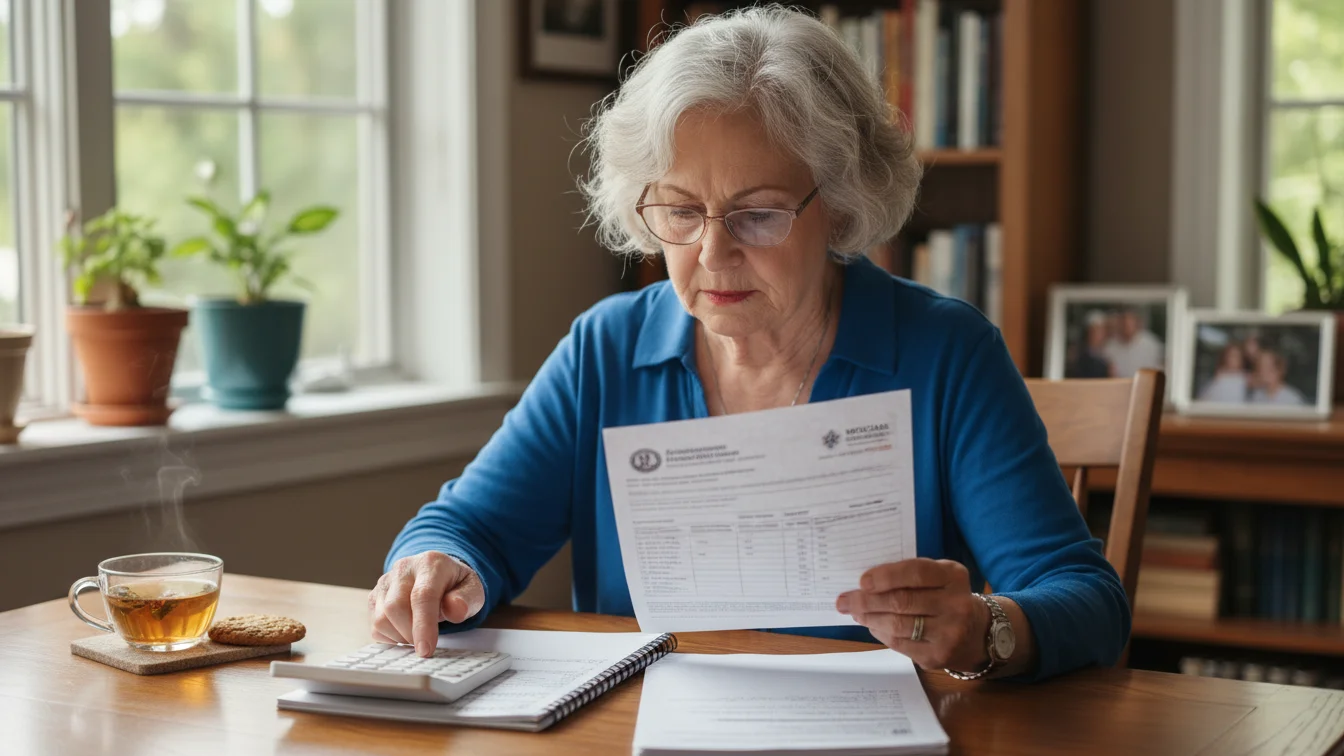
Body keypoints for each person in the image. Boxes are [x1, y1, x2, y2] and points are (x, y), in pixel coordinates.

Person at [374, 7, 1127, 682]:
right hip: (638, 737)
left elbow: (1086, 599)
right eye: (679, 211)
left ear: (838, 205)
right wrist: (436, 569)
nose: (712, 252)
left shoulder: (945, 352)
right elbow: (466, 528)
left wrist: (983, 630)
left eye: (758, 215)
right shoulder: (607, 348)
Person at [1102, 307, 1165, 378]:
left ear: (1137, 323)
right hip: (1118, 386)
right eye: (1123, 323)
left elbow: (1160, 369)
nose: (1126, 326)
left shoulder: (1151, 344)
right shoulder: (1109, 346)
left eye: (1130, 323)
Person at [1065, 311, 1114, 378]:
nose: (1101, 334)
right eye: (1097, 330)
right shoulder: (1079, 353)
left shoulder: (1108, 352)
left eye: (1102, 330)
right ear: (1089, 332)